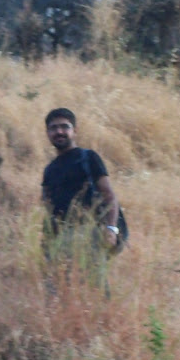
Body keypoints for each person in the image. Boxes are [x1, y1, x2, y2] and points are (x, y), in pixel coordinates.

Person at [41, 108, 120, 294]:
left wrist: (111, 228)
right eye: (53, 128)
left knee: (95, 290)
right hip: (60, 238)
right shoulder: (49, 169)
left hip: (89, 232)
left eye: (64, 127)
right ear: (48, 133)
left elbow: (109, 195)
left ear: (75, 130)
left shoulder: (88, 157)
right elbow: (47, 207)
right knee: (56, 292)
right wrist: (46, 242)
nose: (59, 132)